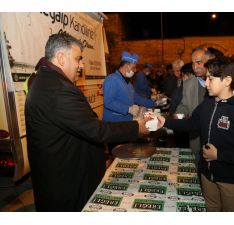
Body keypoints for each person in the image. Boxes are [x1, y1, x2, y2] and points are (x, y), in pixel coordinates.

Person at [25, 33, 150, 211]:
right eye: (78, 59)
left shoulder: (50, 81)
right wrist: (137, 126)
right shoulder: (56, 89)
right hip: (65, 185)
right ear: (61, 58)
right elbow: (95, 129)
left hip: (67, 176)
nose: (82, 65)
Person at [156, 56, 234, 211]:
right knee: (211, 209)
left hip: (231, 180)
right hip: (207, 174)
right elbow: (191, 123)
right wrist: (165, 122)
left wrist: (219, 155)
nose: (205, 84)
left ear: (227, 81)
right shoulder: (208, 103)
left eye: (210, 79)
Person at [102, 51, 156, 122]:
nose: (135, 70)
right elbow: (109, 102)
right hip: (113, 123)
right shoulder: (111, 79)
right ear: (127, 66)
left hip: (125, 121)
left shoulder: (127, 83)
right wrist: (128, 109)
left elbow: (136, 98)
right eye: (133, 68)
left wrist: (154, 104)